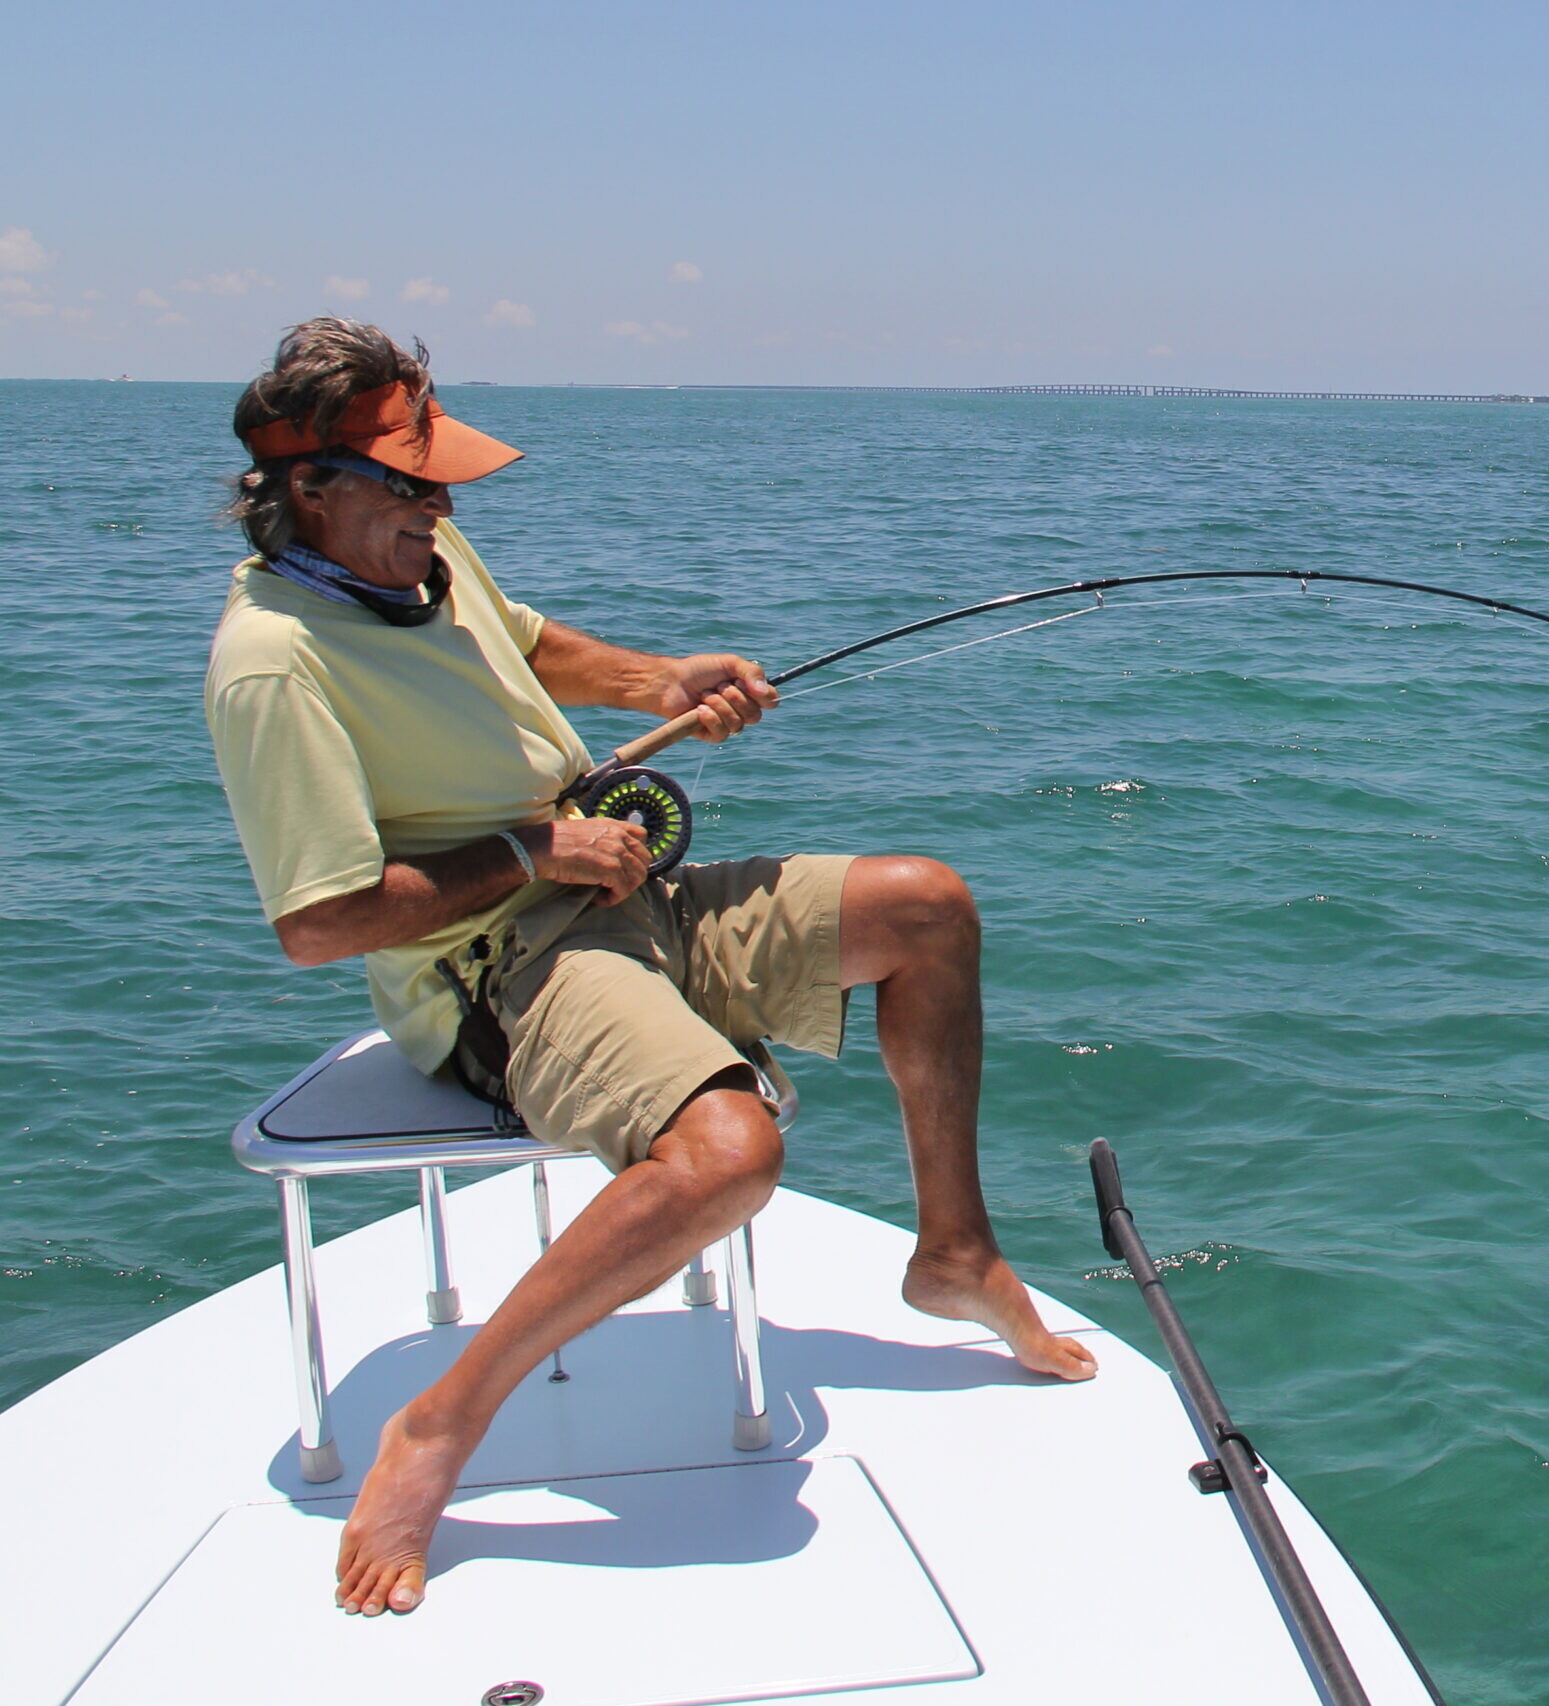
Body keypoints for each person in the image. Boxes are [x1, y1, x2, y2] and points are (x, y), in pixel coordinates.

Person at [204, 319, 1096, 1620]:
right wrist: (530, 847)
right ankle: (442, 1424)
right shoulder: (273, 663)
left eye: (443, 479)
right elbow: (322, 923)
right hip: (499, 971)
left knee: (927, 908)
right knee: (731, 1156)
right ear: (311, 489)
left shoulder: (416, 548)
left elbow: (528, 639)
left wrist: (663, 678)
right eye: (414, 483)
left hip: (616, 883)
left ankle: (954, 1254)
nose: (442, 506)